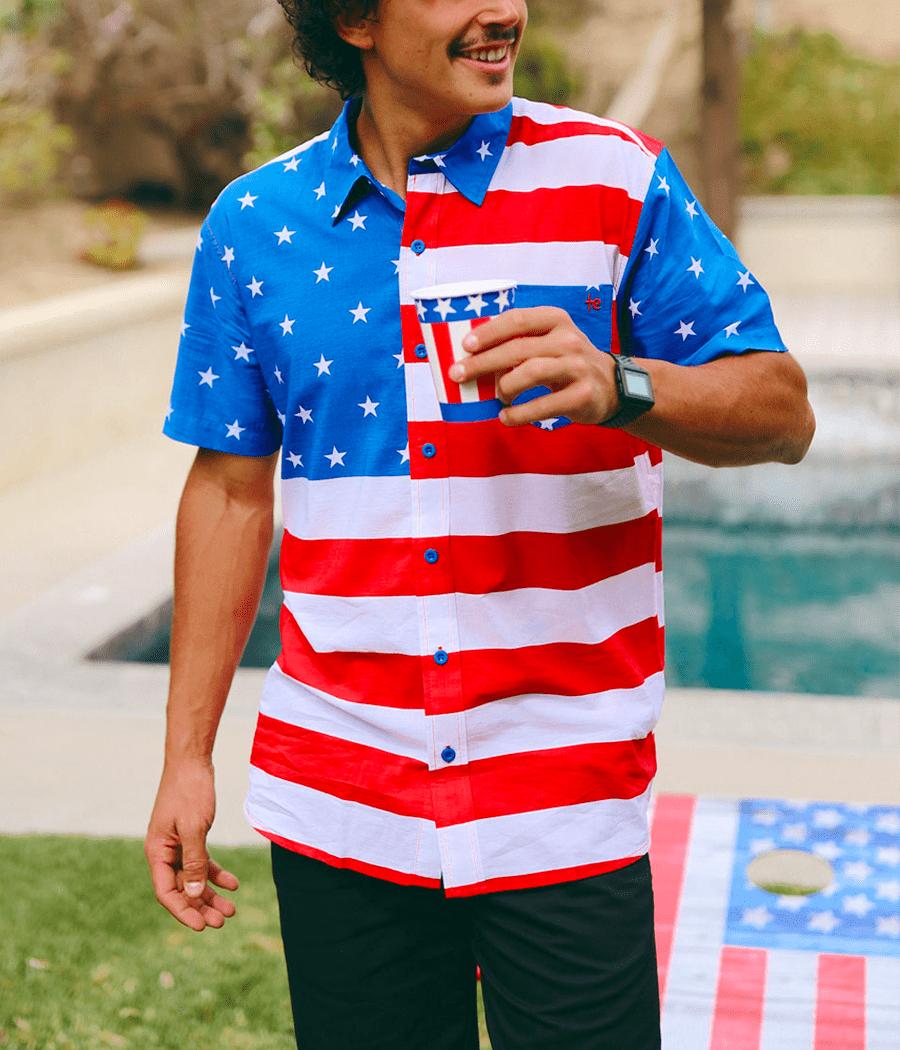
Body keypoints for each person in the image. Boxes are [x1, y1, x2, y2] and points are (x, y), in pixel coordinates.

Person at [145, 1, 816, 1047]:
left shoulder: (615, 179)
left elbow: (784, 413)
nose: (502, 8)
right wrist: (186, 757)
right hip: (342, 796)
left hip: (562, 791)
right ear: (355, 16)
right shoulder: (253, 223)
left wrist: (623, 383)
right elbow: (230, 491)